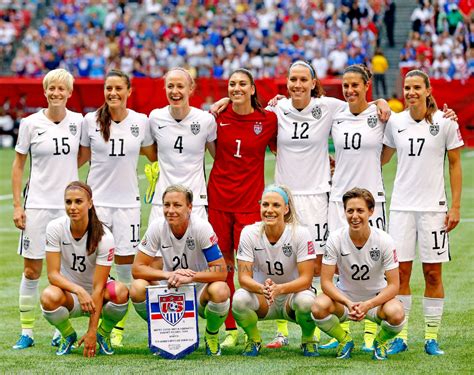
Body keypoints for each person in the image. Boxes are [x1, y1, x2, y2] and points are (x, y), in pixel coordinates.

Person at [266, 61, 390, 349]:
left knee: (323, 263)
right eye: (292, 80)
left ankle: (322, 331)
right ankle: (282, 331)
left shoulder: (330, 108)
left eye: (302, 80)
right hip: (285, 196)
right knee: (281, 260)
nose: (297, 85)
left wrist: (381, 100)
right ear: (286, 83)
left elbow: (363, 102)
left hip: (320, 195)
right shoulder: (277, 109)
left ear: (313, 83)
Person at [382, 69, 463, 356]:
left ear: (428, 90)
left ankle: (431, 337)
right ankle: (401, 336)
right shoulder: (395, 122)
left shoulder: (445, 122)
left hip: (433, 210)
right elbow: (381, 157)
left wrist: (454, 206)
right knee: (400, 274)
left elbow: (455, 164)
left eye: (417, 87)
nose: (411, 92)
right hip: (402, 208)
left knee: (432, 274)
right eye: (407, 87)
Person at [79, 69, 155, 347]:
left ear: (128, 91)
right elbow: (81, 158)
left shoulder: (141, 121)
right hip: (96, 206)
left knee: (125, 268)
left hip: (127, 206)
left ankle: (115, 329)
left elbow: (154, 154)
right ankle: (81, 326)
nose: (112, 93)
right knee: (91, 267)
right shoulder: (90, 121)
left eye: (118, 89)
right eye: (108, 88)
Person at [11, 68, 83, 349]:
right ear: (45, 91)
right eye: (51, 88)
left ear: (69, 92)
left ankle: (58, 328)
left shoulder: (79, 122)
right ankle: (27, 331)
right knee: (31, 270)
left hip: (68, 209)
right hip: (37, 205)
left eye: (61, 89)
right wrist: (18, 205)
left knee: (64, 271)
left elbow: (85, 153)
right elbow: (18, 166)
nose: (56, 93)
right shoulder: (30, 123)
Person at [207, 68, 278, 347]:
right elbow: (212, 148)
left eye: (242, 84)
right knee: (222, 266)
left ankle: (255, 329)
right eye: (232, 84)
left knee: (251, 267)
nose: (236, 88)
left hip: (250, 204)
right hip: (219, 200)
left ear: (252, 89)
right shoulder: (217, 117)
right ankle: (230, 330)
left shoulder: (267, 119)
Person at [130, 185, 230, 356]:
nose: (170, 210)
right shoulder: (157, 226)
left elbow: (221, 272)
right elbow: (137, 269)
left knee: (220, 290)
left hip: (197, 290)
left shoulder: (201, 227)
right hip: (168, 288)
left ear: (189, 207)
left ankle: (211, 336)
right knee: (137, 287)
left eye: (177, 205)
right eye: (166, 205)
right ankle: (161, 333)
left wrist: (190, 277)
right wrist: (168, 274)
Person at [311, 188, 405, 360]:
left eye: (360, 210)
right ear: (344, 212)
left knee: (397, 313)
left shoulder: (384, 240)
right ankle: (344, 340)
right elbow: (326, 282)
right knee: (318, 306)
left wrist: (368, 305)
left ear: (371, 211)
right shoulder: (335, 238)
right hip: (345, 300)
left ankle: (381, 341)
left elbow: (393, 285)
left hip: (376, 301)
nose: (355, 216)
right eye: (350, 211)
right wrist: (348, 302)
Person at [40, 181, 129, 356]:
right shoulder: (54, 228)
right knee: (48, 296)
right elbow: (52, 275)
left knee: (121, 291)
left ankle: (103, 335)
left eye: (78, 202)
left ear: (90, 203)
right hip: (71, 295)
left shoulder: (104, 236)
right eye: (68, 202)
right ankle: (68, 335)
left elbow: (98, 287)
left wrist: (92, 332)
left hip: (98, 294)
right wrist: (78, 290)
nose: (72, 207)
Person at [232, 185, 318, 357]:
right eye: (265, 205)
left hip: (291, 298)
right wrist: (263, 289)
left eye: (276, 205)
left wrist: (280, 289)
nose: (269, 210)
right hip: (263, 298)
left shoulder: (300, 233)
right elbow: (243, 278)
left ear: (286, 209)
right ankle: (254, 339)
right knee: (239, 299)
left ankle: (308, 340)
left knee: (308, 302)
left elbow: (306, 279)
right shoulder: (249, 233)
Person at [148, 67, 217, 222]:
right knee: (156, 246)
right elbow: (148, 151)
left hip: (195, 203)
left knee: (197, 246)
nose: (175, 91)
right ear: (164, 88)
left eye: (180, 86)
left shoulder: (205, 120)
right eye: (170, 86)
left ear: (191, 88)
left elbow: (218, 157)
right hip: (162, 202)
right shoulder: (155, 117)